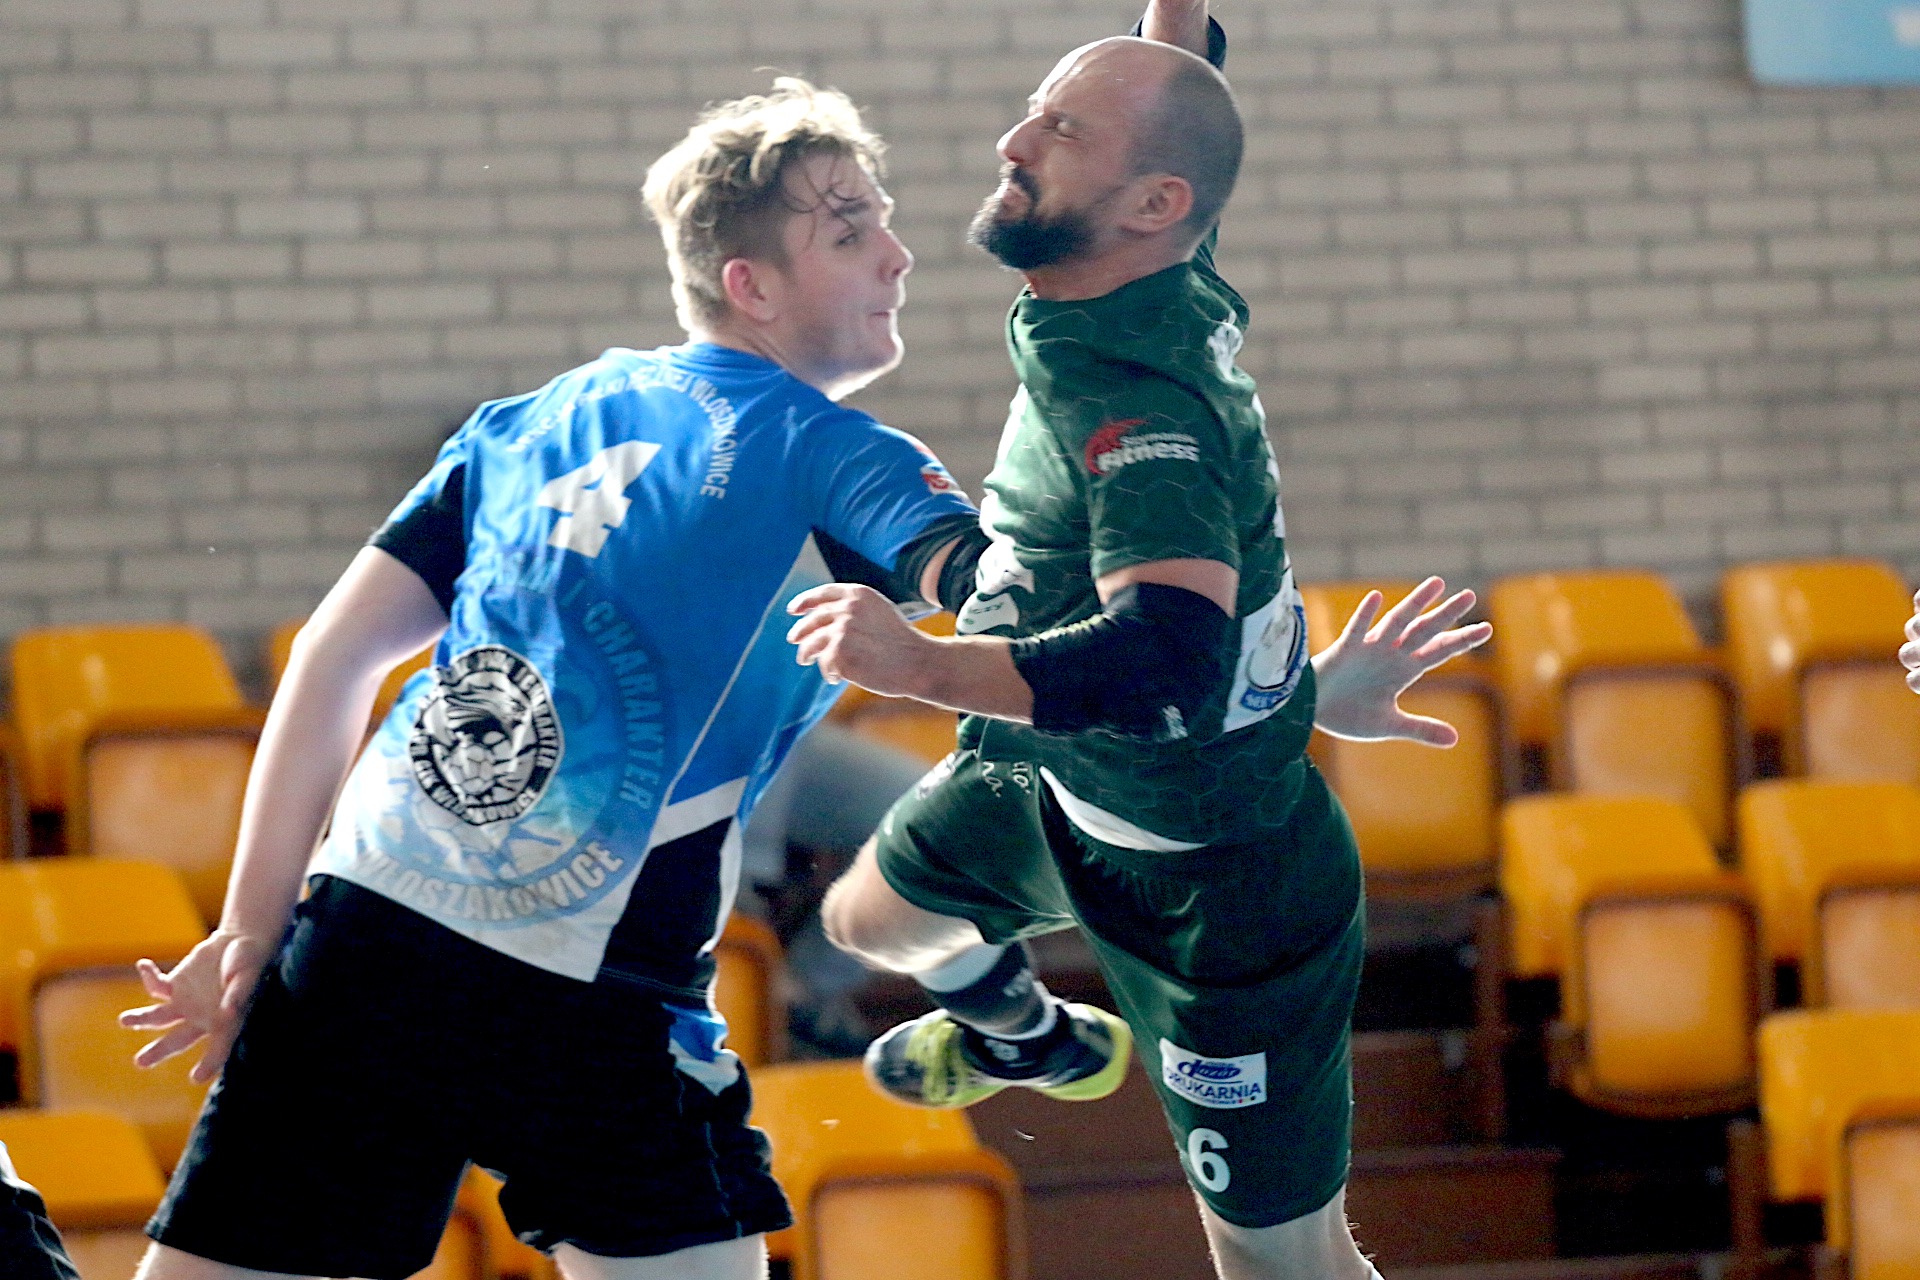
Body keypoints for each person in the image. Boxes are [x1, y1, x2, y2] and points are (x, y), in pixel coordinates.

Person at [117, 79, 983, 1280]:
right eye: (850, 232)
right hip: (592, 983)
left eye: (884, 221)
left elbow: (332, 655)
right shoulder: (832, 449)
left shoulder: (528, 420)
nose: (898, 255)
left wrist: (249, 929)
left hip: (372, 933)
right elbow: (1014, 603)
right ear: (751, 285)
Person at [786, 4, 1491, 1278]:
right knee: (872, 921)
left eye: (1057, 131)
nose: (1012, 142)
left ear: (1154, 203)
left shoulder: (1136, 402)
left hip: (1219, 888)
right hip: (1063, 773)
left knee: (1282, 1264)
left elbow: (1163, 657)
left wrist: (919, 664)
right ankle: (1026, 1036)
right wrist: (1299, 688)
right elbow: (1178, 80)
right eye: (1035, 111)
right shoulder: (1154, 264)